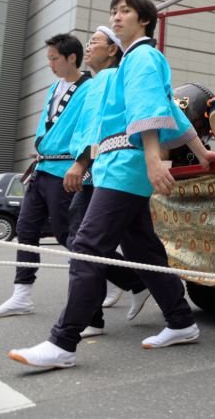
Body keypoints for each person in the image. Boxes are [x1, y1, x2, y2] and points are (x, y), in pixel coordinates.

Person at [9, 0, 215, 369]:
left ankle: (63, 343)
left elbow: (151, 110)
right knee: (143, 250)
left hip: (127, 164)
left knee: (87, 245)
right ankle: (181, 321)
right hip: (118, 164)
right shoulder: (131, 64)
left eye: (125, 11)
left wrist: (155, 160)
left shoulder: (141, 56)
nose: (117, 17)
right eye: (114, 12)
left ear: (145, 20)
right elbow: (171, 106)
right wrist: (201, 152)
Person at [0, 34, 92, 318]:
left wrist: (80, 163)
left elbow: (87, 129)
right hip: (42, 168)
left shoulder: (90, 87)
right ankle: (22, 294)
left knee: (67, 235)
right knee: (26, 228)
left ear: (71, 57)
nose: (50, 64)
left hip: (66, 170)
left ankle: (127, 279)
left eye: (54, 58)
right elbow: (46, 126)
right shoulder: (54, 87)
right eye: (49, 59)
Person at [62, 26, 150, 334]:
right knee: (137, 244)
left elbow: (99, 131)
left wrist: (81, 163)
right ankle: (137, 285)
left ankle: (88, 320)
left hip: (104, 168)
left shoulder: (111, 79)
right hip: (101, 168)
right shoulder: (97, 81)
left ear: (112, 49)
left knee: (82, 241)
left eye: (94, 43)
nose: (88, 47)